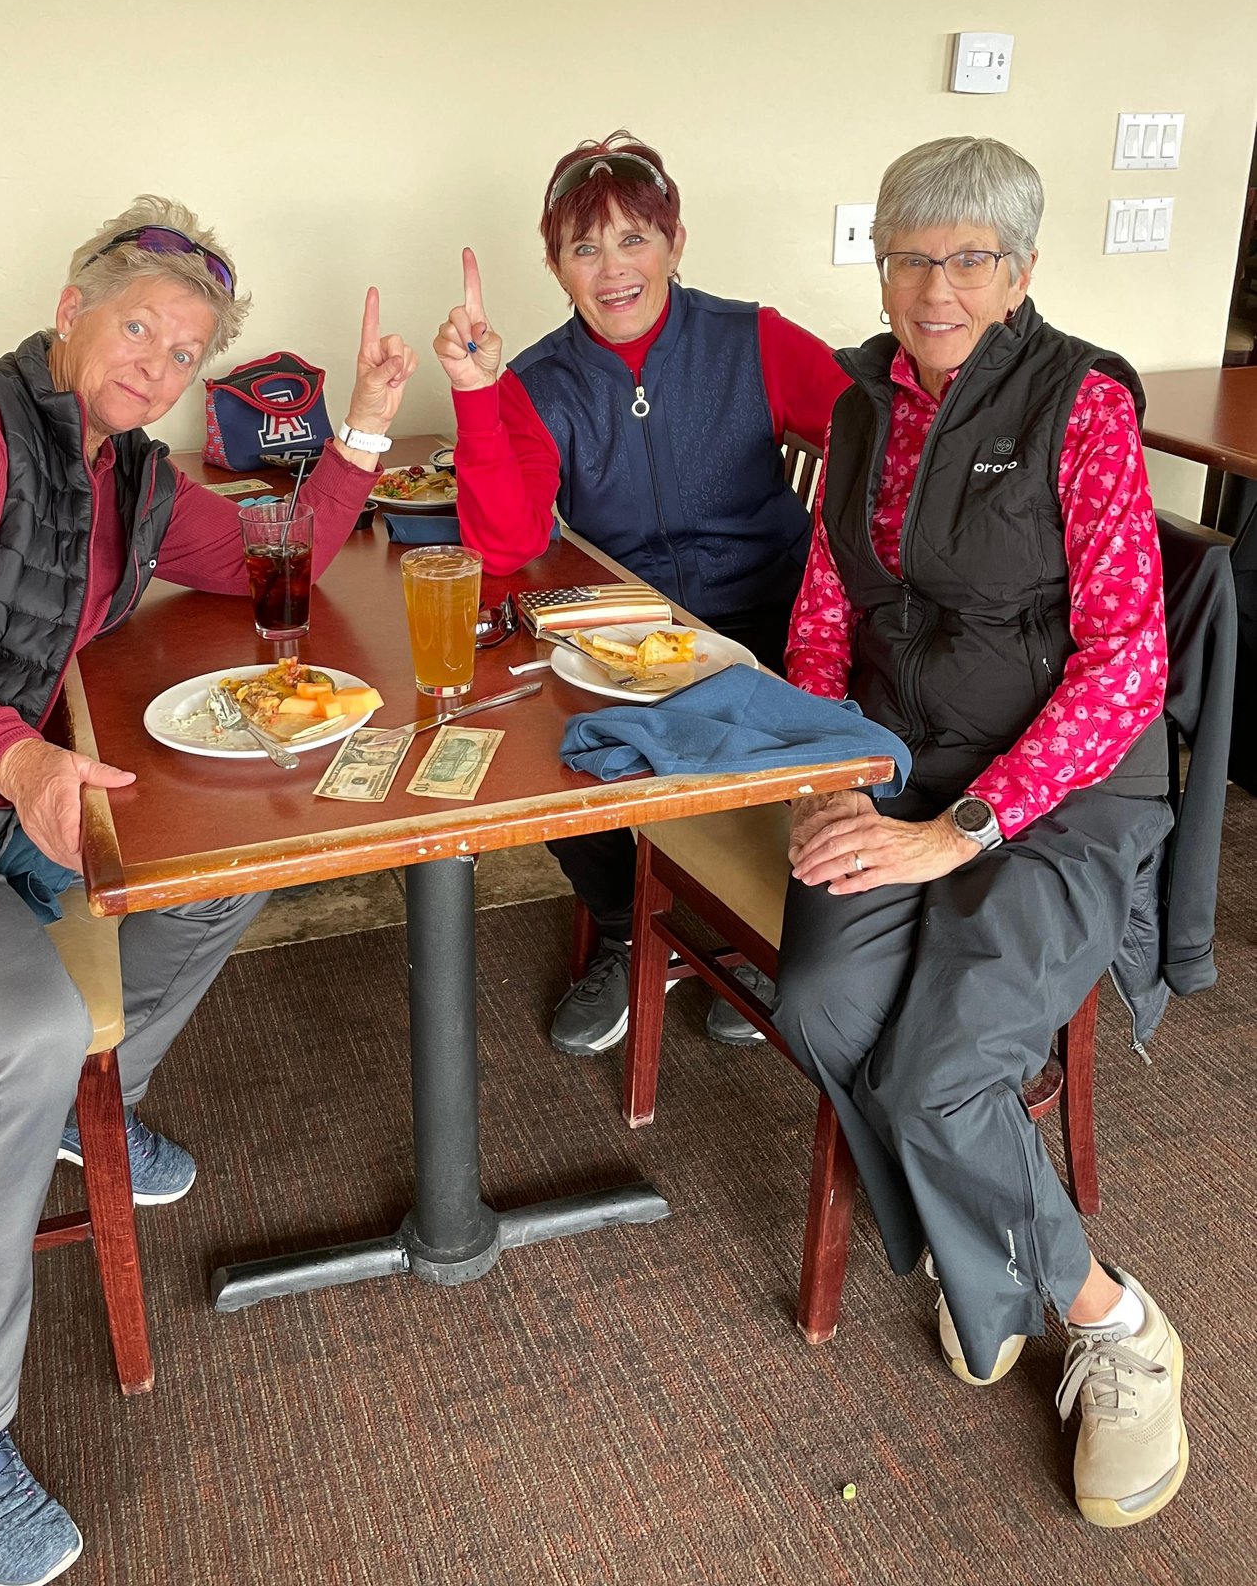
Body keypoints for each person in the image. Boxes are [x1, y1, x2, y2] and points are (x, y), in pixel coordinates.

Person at [0, 198, 417, 1586]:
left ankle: (56, 1122)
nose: (156, 367)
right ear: (71, 310)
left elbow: (260, 565)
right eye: (138, 331)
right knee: (16, 1036)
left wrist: (360, 427)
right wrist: (15, 760)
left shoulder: (128, 475)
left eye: (185, 353)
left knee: (214, 878)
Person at [774, 136, 1187, 1529]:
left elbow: (1132, 654)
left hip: (1062, 795)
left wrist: (969, 825)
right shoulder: (859, 408)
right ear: (878, 261)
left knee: (940, 1077)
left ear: (1019, 272)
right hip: (898, 770)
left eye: (968, 259)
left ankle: (1118, 1326)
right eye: (908, 256)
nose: (934, 287)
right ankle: (982, 1244)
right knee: (823, 1007)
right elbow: (827, 606)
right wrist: (824, 772)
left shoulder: (1081, 405)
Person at [433, 133, 847, 1057]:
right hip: (624, 633)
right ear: (555, 264)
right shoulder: (536, 382)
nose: (613, 268)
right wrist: (476, 393)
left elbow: (872, 440)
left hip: (769, 618)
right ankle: (628, 927)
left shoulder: (755, 338)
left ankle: (763, 923)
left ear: (675, 242)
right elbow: (505, 542)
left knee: (805, 719)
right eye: (585, 248)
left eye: (634, 240)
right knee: (531, 737)